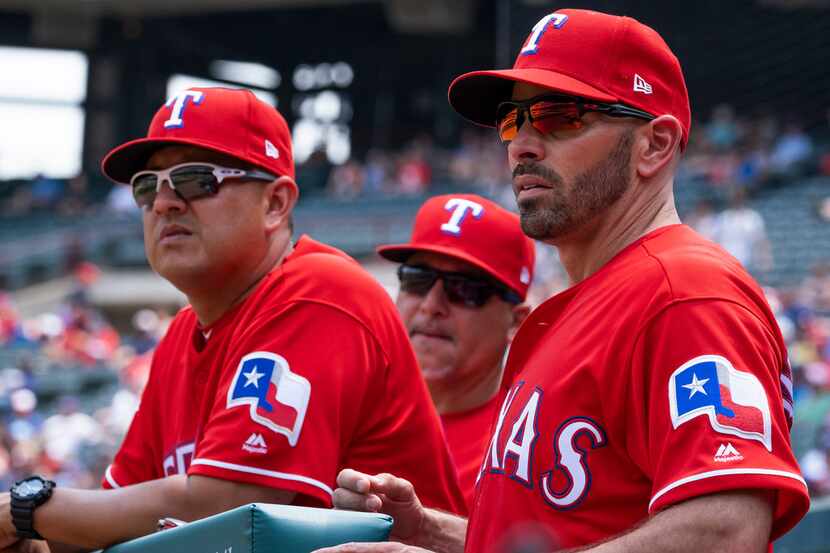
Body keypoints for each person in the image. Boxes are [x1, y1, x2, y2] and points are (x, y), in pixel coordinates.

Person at [321, 8, 809, 553]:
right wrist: (435, 535)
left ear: (654, 144)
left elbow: (723, 533)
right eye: (514, 119)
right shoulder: (599, 300)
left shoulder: (684, 291)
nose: (521, 144)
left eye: (558, 115)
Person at [0, 87, 465, 552]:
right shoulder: (184, 332)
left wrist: (27, 509)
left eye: (197, 180)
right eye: (148, 186)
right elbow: (114, 518)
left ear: (276, 204)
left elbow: (228, 506)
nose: (164, 203)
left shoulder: (319, 293)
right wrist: (40, 543)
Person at [376, 194, 535, 508]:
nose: (431, 305)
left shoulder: (531, 443)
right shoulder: (352, 408)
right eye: (417, 280)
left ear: (516, 323)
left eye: (465, 289)